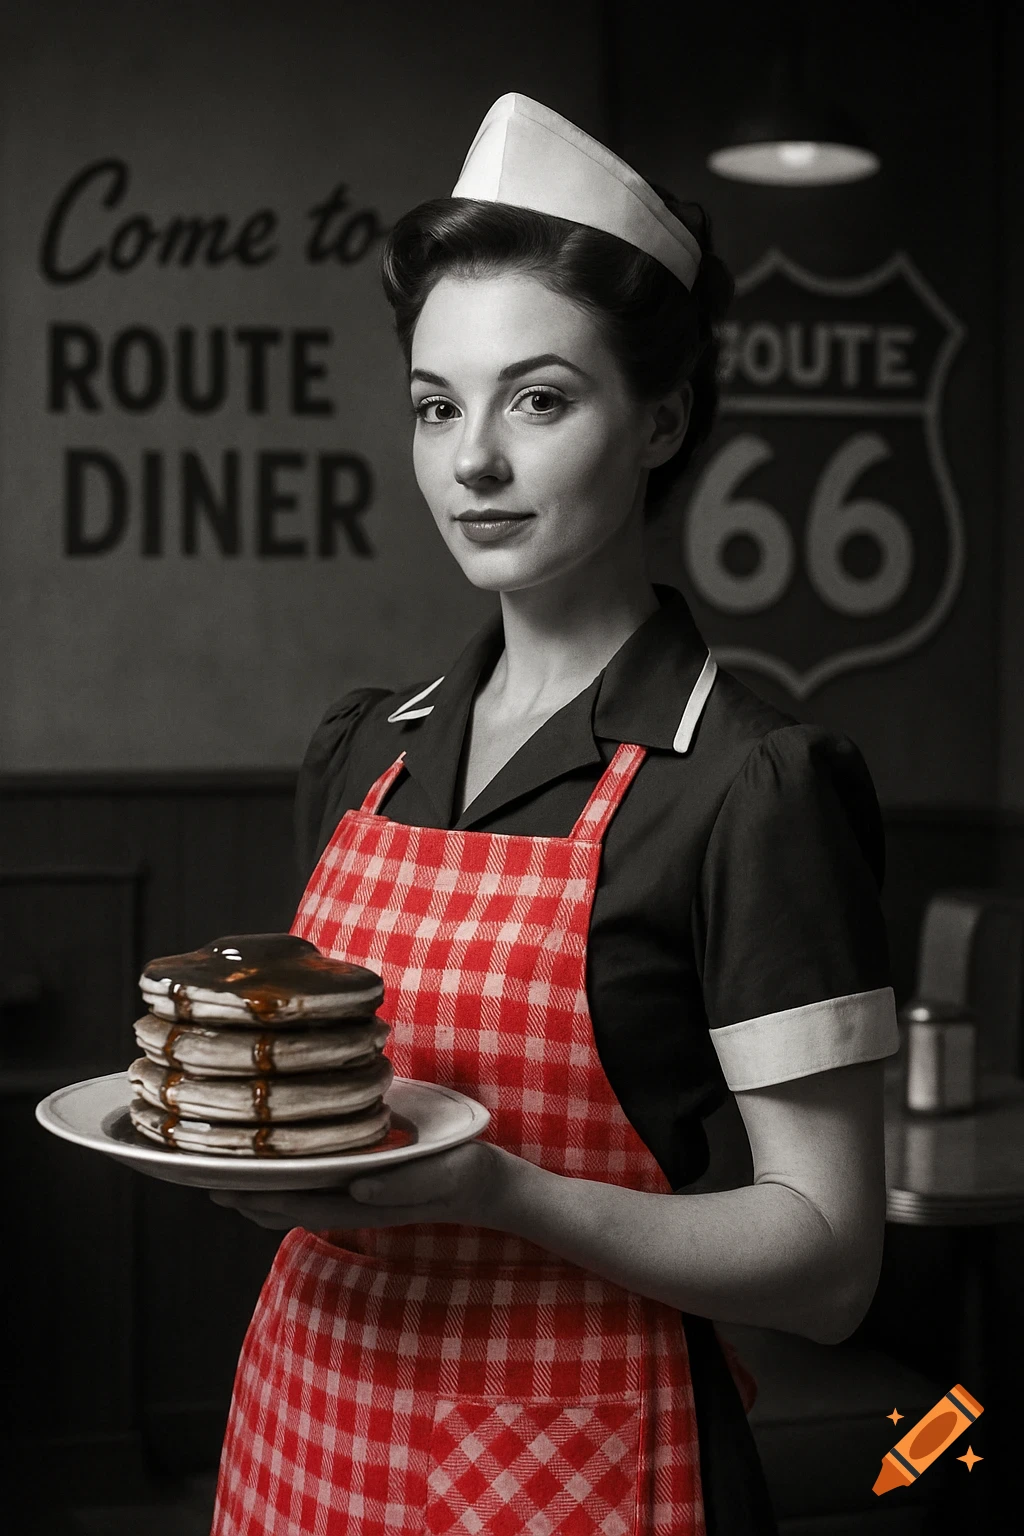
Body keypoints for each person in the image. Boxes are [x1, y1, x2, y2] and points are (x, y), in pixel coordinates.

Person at [210, 93, 899, 1536]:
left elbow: (832, 1268)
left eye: (538, 398)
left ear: (661, 420)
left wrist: (506, 1194)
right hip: (309, 1426)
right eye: (434, 404)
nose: (471, 463)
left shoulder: (749, 783)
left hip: (581, 1458)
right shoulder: (365, 754)